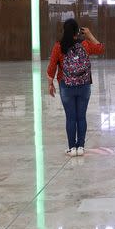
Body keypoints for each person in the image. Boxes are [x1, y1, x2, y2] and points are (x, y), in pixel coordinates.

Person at [47, 19, 105, 157]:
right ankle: (81, 147)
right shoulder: (84, 44)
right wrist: (90, 34)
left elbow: (52, 67)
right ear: (77, 31)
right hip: (84, 85)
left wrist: (50, 83)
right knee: (81, 117)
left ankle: (72, 148)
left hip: (66, 85)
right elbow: (101, 48)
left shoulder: (58, 46)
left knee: (71, 118)